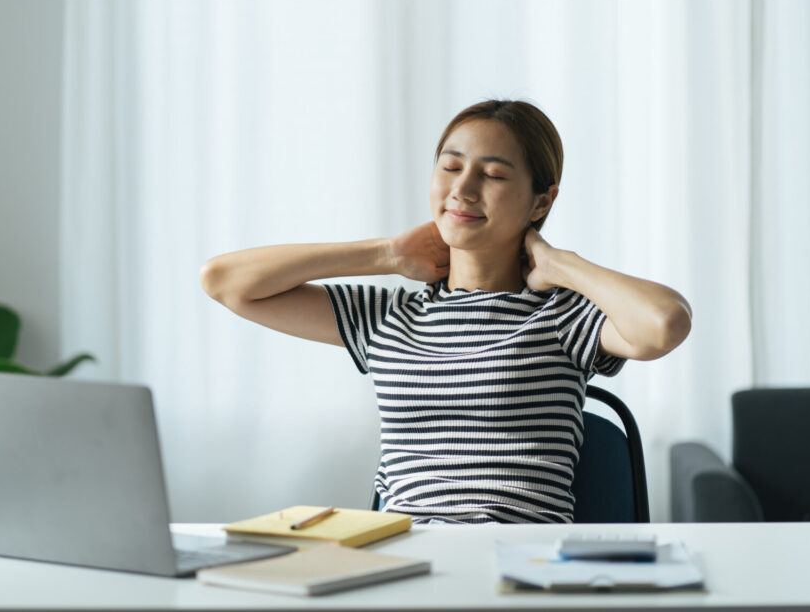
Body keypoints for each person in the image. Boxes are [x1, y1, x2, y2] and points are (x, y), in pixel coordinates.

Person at [200, 99, 692, 524]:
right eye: (450, 167)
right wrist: (384, 255)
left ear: (542, 202)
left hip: (520, 565)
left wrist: (559, 263)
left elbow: (665, 322)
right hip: (406, 560)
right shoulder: (388, 317)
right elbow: (225, 283)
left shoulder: (562, 315)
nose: (463, 188)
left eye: (494, 174)